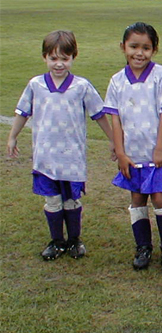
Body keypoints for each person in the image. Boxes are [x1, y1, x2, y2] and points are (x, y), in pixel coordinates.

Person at [6, 30, 114, 261]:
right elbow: (23, 112)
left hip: (72, 157)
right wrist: (12, 136)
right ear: (45, 57)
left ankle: (74, 240)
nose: (59, 64)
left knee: (71, 200)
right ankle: (56, 241)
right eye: (53, 58)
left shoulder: (82, 86)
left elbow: (99, 114)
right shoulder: (36, 85)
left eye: (64, 58)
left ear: (73, 57)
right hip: (45, 157)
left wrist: (114, 140)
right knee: (52, 200)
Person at [104, 22, 162, 270]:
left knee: (159, 198)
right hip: (132, 154)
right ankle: (143, 247)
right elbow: (115, 118)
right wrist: (120, 152)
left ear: (154, 49)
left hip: (155, 153)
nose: (139, 53)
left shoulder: (160, 75)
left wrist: (160, 148)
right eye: (134, 47)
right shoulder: (117, 81)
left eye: (146, 48)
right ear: (123, 47)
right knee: (137, 198)